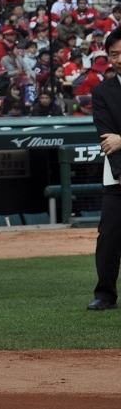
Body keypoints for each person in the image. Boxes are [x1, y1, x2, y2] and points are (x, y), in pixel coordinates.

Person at [88, 28, 121, 311]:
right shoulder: (102, 93)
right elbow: (107, 140)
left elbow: (118, 139)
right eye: (113, 54)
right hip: (117, 176)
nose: (119, 59)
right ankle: (105, 294)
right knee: (109, 236)